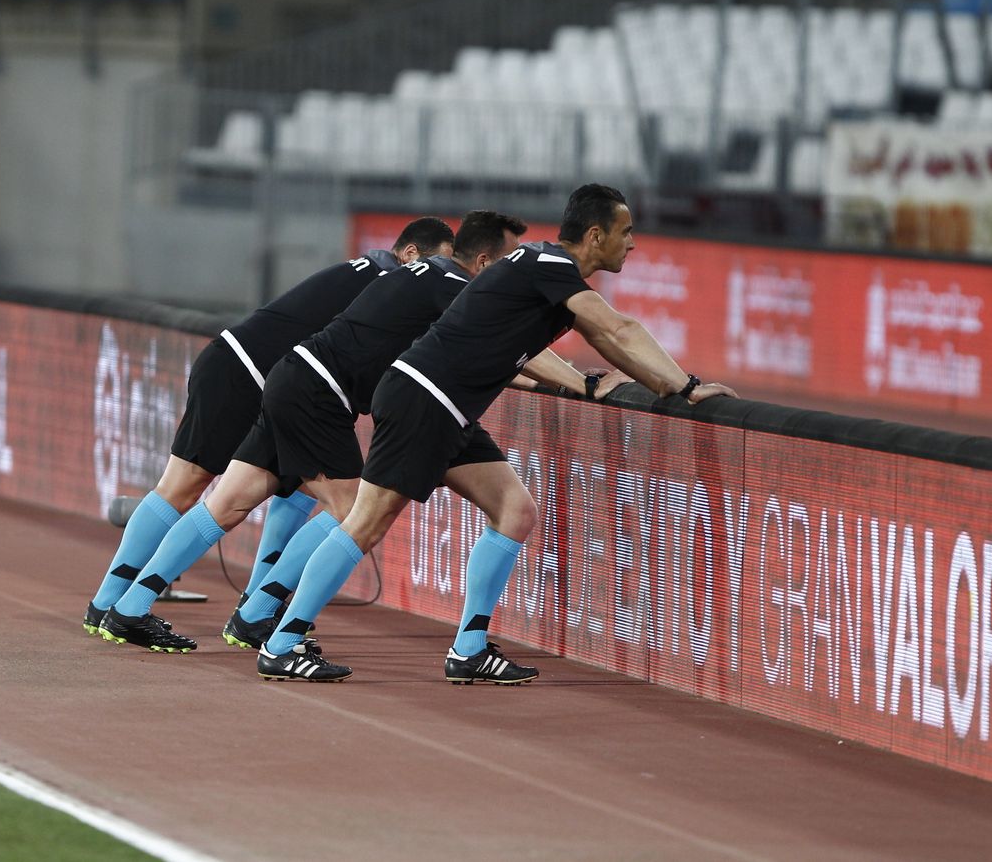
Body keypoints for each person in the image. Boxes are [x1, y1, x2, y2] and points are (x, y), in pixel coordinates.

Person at [254, 183, 738, 684]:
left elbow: (604, 337)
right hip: (426, 399)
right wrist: (686, 386)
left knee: (515, 509)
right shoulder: (550, 267)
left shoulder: (547, 272)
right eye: (626, 232)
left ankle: (469, 649)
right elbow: (619, 330)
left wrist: (627, 383)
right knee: (366, 521)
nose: (633, 243)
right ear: (596, 235)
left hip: (443, 404)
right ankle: (283, 642)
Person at [99, 211, 632, 653]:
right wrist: (581, 383)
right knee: (347, 508)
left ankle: (129, 606)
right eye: (507, 262)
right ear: (485, 262)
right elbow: (505, 348)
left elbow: (478, 354)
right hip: (282, 380)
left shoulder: (405, 276)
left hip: (284, 375)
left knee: (232, 501)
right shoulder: (451, 285)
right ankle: (259, 617)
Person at [84, 216, 457, 648]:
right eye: (440, 264)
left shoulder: (376, 279)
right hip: (245, 374)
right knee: (184, 487)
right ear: (410, 255)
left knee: (294, 489)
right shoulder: (389, 284)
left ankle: (254, 608)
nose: (446, 279)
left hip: (276, 383)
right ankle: (114, 602)